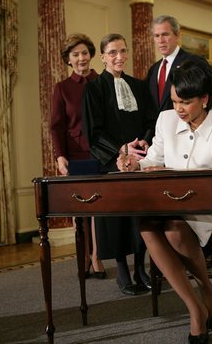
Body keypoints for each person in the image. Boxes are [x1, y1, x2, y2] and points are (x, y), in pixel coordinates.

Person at [118, 58, 212, 344]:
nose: (178, 109)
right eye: (174, 102)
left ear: (205, 99)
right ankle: (196, 306)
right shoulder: (166, 120)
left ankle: (206, 288)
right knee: (147, 226)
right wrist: (136, 165)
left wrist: (179, 178)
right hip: (166, 202)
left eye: (185, 102)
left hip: (203, 209)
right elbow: (154, 160)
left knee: (172, 229)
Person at [82, 33, 157, 295]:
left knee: (140, 215)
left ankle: (141, 268)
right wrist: (121, 149)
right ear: (102, 57)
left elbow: (151, 121)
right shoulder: (93, 89)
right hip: (111, 161)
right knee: (118, 218)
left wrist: (144, 143)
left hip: (138, 160)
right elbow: (94, 132)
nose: (119, 57)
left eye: (123, 51)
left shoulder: (138, 86)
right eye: (112, 52)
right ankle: (123, 271)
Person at [50, 33, 105, 279]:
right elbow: (56, 126)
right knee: (80, 209)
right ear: (68, 60)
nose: (81, 58)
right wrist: (60, 156)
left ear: (91, 55)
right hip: (75, 155)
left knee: (99, 208)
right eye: (75, 55)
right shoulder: (61, 88)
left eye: (84, 53)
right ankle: (83, 255)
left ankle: (96, 256)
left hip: (102, 153)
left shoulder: (103, 82)